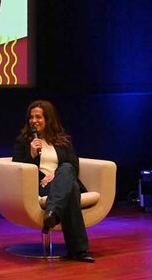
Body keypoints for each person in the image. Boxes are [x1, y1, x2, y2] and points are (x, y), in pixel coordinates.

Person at [12, 100, 95, 263]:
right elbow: (18, 169)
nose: (34, 121)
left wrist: (56, 174)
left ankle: (52, 213)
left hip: (61, 182)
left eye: (38, 117)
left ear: (48, 119)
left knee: (67, 170)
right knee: (71, 189)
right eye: (31, 117)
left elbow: (74, 165)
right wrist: (32, 155)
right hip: (41, 185)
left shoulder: (63, 141)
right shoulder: (23, 142)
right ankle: (79, 251)